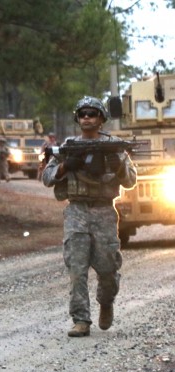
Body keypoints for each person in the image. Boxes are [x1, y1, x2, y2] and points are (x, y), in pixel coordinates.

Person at [42, 96, 137, 337]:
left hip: (104, 211)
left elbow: (130, 181)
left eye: (92, 113)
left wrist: (118, 165)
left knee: (107, 268)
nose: (87, 117)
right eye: (82, 113)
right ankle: (81, 319)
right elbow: (47, 177)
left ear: (101, 119)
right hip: (76, 210)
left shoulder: (114, 146)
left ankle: (106, 302)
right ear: (77, 118)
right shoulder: (68, 147)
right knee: (77, 267)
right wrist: (66, 165)